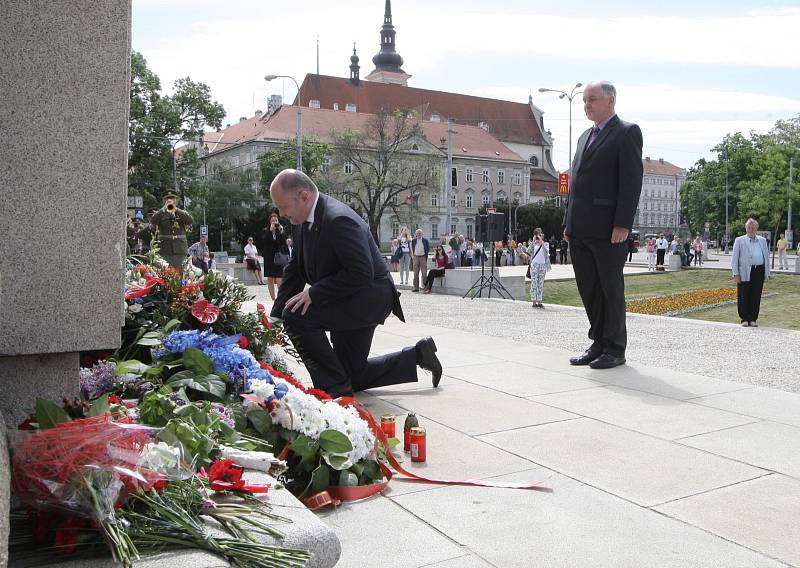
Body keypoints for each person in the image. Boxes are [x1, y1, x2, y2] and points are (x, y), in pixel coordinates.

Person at [268, 169, 442, 397]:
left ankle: (333, 391)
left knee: (297, 315)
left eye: (283, 207)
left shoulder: (337, 219)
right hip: (347, 295)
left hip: (368, 296)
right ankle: (419, 355)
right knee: (349, 373)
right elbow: (295, 269)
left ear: (303, 196)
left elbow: (361, 272)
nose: (280, 214)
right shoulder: (303, 220)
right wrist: (274, 317)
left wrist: (314, 294)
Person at [563, 81, 643, 370]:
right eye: (584, 101)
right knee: (589, 289)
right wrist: (567, 222)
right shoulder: (585, 136)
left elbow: (631, 183)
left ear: (610, 101)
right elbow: (575, 183)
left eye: (592, 100)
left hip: (609, 230)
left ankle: (615, 347)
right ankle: (598, 342)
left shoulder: (626, 133)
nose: (587, 105)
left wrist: (622, 224)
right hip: (580, 228)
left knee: (610, 289)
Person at [731, 218, 770, 327]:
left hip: (759, 270)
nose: (751, 229)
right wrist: (736, 274)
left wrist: (767, 272)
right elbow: (734, 258)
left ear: (756, 228)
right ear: (746, 228)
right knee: (743, 295)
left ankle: (753, 318)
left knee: (756, 295)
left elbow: (766, 256)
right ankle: (744, 318)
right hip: (745, 271)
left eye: (753, 227)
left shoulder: (762, 240)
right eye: (749, 227)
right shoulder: (740, 240)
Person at [150, 193, 193, 268]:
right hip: (164, 249)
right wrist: (163, 209)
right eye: (167, 198)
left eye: (172, 198)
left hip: (180, 248)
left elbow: (190, 220)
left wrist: (176, 209)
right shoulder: (161, 213)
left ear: (176, 200)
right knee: (165, 273)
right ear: (164, 201)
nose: (170, 200)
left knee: (179, 272)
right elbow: (153, 221)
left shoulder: (181, 212)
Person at [260, 212, 288, 301]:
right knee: (270, 278)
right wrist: (270, 232)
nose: (274, 222)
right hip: (269, 257)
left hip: (278, 257)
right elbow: (265, 241)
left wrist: (282, 232)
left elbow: (284, 243)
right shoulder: (265, 230)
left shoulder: (280, 231)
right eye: (272, 220)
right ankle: (273, 298)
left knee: (279, 277)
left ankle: (280, 297)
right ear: (269, 221)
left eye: (276, 220)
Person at [529, 228, 551, 308]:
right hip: (534, 265)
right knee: (534, 283)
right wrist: (532, 241)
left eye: (540, 234)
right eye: (537, 234)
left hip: (542, 266)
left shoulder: (546, 244)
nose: (539, 235)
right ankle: (534, 302)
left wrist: (541, 241)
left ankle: (539, 301)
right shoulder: (533, 244)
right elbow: (528, 251)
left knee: (540, 284)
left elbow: (547, 251)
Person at [411, 228, 430, 292]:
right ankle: (416, 287)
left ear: (422, 234)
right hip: (416, 257)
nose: (419, 234)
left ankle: (425, 287)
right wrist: (413, 256)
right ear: (416, 234)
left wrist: (425, 257)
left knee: (424, 273)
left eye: (420, 233)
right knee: (415, 273)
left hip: (423, 257)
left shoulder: (425, 241)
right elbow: (412, 249)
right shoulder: (413, 241)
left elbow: (427, 249)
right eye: (417, 233)